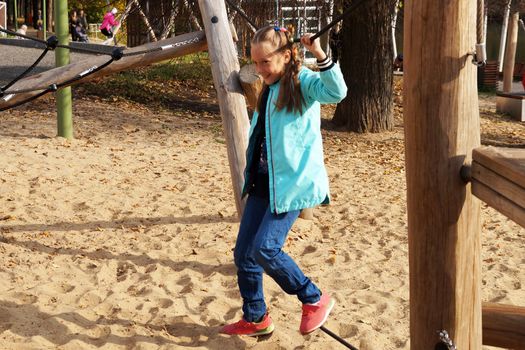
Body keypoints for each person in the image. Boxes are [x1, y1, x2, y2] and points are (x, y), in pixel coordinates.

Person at [219, 25, 347, 337]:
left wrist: (318, 54)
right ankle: (256, 317)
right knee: (244, 253)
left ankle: (313, 297)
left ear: (287, 56)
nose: (260, 69)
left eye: (266, 62)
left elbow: (336, 92)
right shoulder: (271, 88)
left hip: (292, 186)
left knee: (266, 248)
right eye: (255, 62)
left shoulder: (302, 83)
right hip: (265, 184)